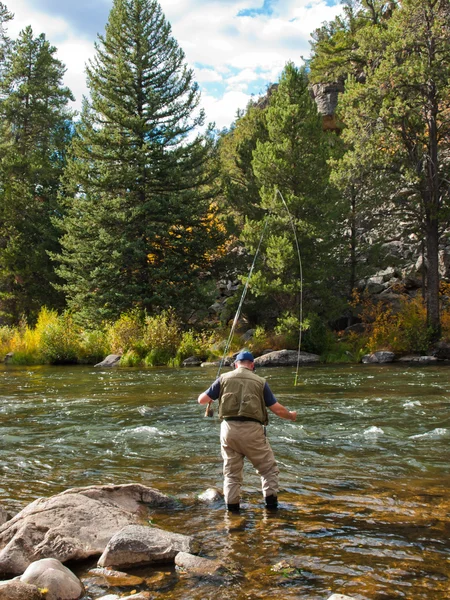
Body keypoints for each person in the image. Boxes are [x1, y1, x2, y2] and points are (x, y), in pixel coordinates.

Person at [198, 350, 297, 512]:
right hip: (252, 431)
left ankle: (232, 512)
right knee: (268, 470)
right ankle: (271, 509)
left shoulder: (223, 378)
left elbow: (202, 400)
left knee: (231, 474)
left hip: (228, 431)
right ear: (252, 365)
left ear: (236, 364)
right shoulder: (260, 382)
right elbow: (277, 410)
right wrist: (291, 416)